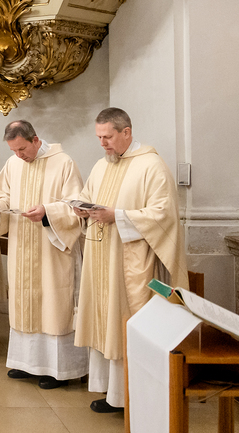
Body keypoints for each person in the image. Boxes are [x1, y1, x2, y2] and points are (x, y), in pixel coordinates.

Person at [74, 107, 187, 413]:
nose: (102, 144)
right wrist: (82, 209)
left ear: (126, 132)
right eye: (98, 137)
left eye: (107, 137)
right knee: (105, 322)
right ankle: (114, 394)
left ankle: (133, 398)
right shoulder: (102, 165)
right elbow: (87, 194)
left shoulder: (151, 165)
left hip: (132, 262)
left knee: (126, 322)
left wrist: (118, 216)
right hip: (102, 259)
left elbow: (163, 214)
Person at [0, 120, 87, 389]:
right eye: (13, 150)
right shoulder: (13, 164)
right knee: (24, 302)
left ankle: (58, 370)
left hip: (51, 250)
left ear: (36, 140)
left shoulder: (63, 163)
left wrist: (47, 212)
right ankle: (27, 363)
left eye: (22, 149)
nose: (19, 155)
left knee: (53, 305)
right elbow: (2, 194)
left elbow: (76, 206)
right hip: (22, 246)